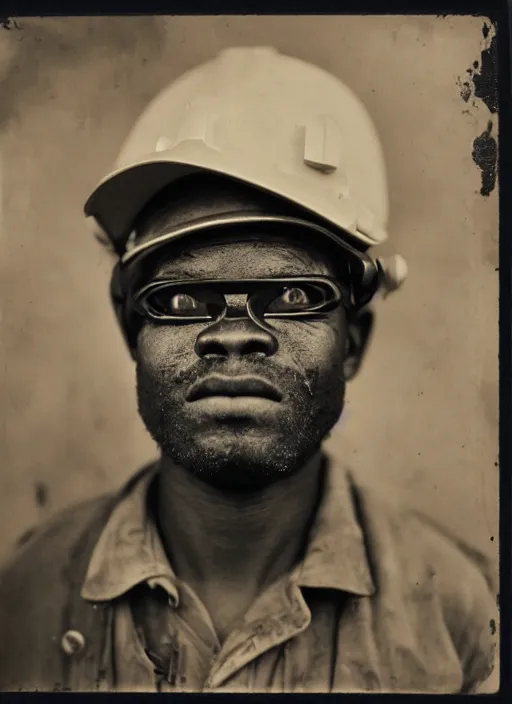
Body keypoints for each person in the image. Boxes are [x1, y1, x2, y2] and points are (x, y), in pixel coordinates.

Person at [0, 47, 498, 694]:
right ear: (133, 333)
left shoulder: (463, 617)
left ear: (353, 341)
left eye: (292, 298)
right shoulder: (24, 595)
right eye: (180, 301)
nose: (234, 335)